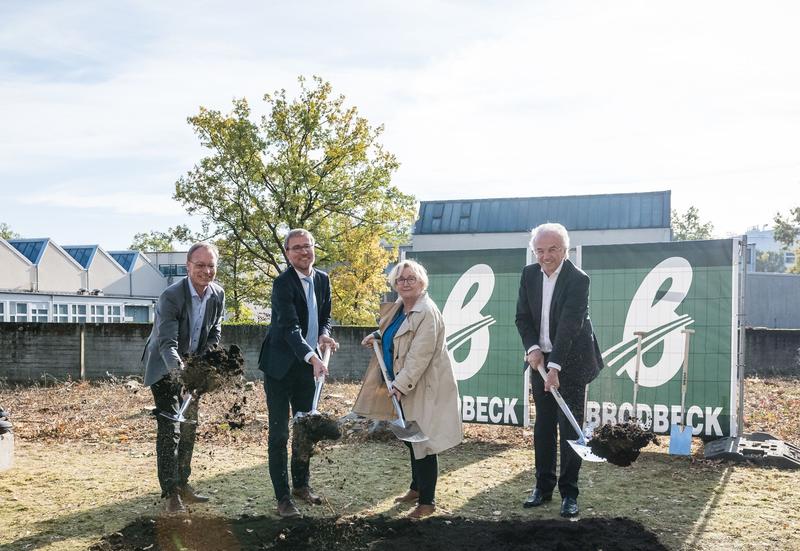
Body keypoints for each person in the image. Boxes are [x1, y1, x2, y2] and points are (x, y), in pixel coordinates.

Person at [353, 259, 462, 519]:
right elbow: (396, 333)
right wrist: (377, 336)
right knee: (410, 438)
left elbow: (420, 355)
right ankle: (416, 488)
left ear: (422, 282)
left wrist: (401, 385)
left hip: (422, 386)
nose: (405, 283)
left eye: (411, 278)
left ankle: (427, 502)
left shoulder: (426, 312)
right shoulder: (401, 308)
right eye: (400, 279)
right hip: (402, 383)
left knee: (423, 442)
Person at [515, 223, 603, 518]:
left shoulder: (578, 280)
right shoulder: (529, 275)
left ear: (565, 250)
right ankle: (543, 487)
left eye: (552, 249)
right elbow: (522, 317)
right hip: (539, 360)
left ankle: (569, 493)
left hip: (572, 361)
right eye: (540, 250)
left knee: (569, 426)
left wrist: (555, 367)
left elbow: (569, 325)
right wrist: (532, 348)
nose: (545, 256)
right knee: (543, 425)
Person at [258, 228, 339, 518]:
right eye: (296, 248)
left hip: (308, 367)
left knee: (305, 429)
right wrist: (312, 357)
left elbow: (325, 316)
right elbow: (290, 328)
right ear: (288, 253)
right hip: (280, 367)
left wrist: (325, 335)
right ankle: (283, 499)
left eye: (307, 246)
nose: (303, 252)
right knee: (279, 434)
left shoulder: (323, 279)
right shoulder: (283, 284)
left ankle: (301, 486)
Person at [142, 242, 226, 514]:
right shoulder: (172, 296)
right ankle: (170, 493)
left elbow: (215, 332)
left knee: (189, 425)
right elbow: (167, 343)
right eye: (200, 265)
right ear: (188, 266)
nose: (206, 270)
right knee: (170, 430)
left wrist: (199, 369)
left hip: (192, 369)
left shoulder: (217, 294)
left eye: (211, 265)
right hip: (165, 368)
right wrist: (181, 377)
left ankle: (185, 484)